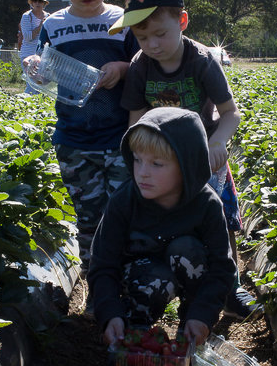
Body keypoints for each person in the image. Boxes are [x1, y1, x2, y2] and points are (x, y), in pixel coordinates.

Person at [109, 0, 261, 321]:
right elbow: (135, 119)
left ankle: (229, 287)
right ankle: (159, 282)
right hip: (163, 160)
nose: (152, 44)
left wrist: (218, 141)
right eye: (142, 36)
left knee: (219, 221)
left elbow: (230, 113)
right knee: (164, 221)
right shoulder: (140, 67)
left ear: (182, 21)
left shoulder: (202, 61)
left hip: (205, 158)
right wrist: (143, 159)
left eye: (160, 33)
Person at [26, 0, 139, 275]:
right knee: (88, 218)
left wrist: (122, 68)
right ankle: (98, 287)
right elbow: (46, 70)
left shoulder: (125, 21)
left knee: (125, 215)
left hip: (121, 138)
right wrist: (37, 69)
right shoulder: (54, 25)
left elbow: (146, 67)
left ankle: (128, 285)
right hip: (74, 140)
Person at [87, 106, 237, 346]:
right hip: (140, 277)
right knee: (155, 277)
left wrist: (202, 316)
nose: (143, 173)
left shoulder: (207, 204)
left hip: (187, 271)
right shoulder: (123, 201)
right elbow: (103, 264)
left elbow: (222, 268)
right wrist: (109, 313)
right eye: (137, 160)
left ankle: (190, 332)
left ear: (186, 165)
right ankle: (134, 329)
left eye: (157, 164)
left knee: (189, 249)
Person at [19, 0, 49, 93]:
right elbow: (27, 37)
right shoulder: (27, 16)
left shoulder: (48, 17)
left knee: (41, 85)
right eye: (35, 1)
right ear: (31, 3)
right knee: (32, 85)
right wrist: (40, 27)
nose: (37, 3)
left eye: (40, 1)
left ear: (44, 3)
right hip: (27, 55)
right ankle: (24, 104)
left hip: (42, 57)